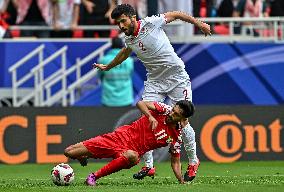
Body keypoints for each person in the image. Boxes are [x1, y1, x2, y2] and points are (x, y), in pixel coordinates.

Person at [94, 4, 211, 182]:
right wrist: (108, 66)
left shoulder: (150, 23)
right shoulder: (130, 40)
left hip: (177, 77)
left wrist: (198, 23)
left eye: (123, 21)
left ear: (133, 17)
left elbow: (176, 14)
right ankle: (148, 166)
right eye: (118, 23)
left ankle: (194, 161)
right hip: (155, 81)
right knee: (146, 119)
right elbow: (125, 53)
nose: (121, 26)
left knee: (183, 121)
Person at [64, 100, 195, 186]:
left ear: (183, 118)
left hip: (131, 152)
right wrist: (149, 116)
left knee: (133, 156)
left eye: (176, 114)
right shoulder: (163, 109)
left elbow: (175, 162)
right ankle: (84, 156)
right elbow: (141, 103)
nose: (171, 113)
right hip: (119, 137)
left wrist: (181, 181)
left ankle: (93, 177)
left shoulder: (176, 137)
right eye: (173, 109)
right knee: (69, 152)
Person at [98, 36, 134, 107]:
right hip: (126, 99)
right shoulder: (129, 60)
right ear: (122, 45)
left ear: (111, 46)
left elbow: (100, 76)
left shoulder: (103, 60)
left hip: (108, 100)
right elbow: (130, 74)